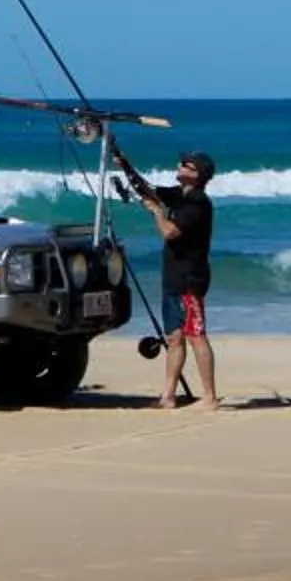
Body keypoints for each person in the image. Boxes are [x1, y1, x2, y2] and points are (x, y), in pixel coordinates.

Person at [117, 146, 218, 411]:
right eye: (182, 162)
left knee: (196, 335)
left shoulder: (197, 203)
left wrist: (157, 212)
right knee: (174, 338)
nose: (181, 166)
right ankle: (168, 396)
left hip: (189, 280)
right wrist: (123, 162)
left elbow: (169, 232)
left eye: (188, 165)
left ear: (198, 175)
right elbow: (148, 189)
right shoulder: (180, 195)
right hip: (173, 277)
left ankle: (209, 397)